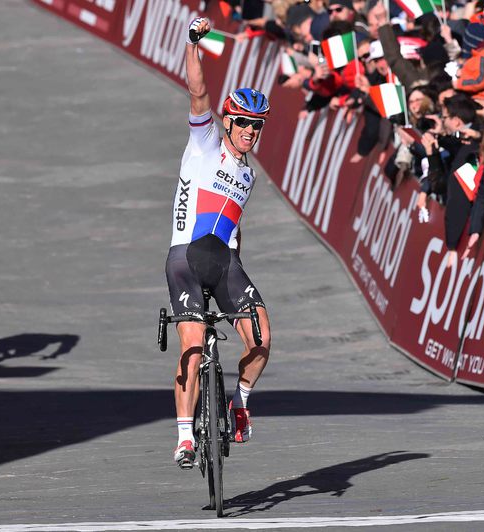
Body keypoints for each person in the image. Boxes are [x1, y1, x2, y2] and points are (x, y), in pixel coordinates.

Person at [168, 17, 271, 469]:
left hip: (226, 263)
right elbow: (198, 91)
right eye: (243, 122)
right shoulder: (205, 143)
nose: (249, 130)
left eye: (257, 125)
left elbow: (235, 227)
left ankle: (240, 402)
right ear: (228, 121)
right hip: (186, 259)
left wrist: (237, 274)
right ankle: (185, 437)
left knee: (262, 339)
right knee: (192, 350)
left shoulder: (248, 175)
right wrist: (194, 43)